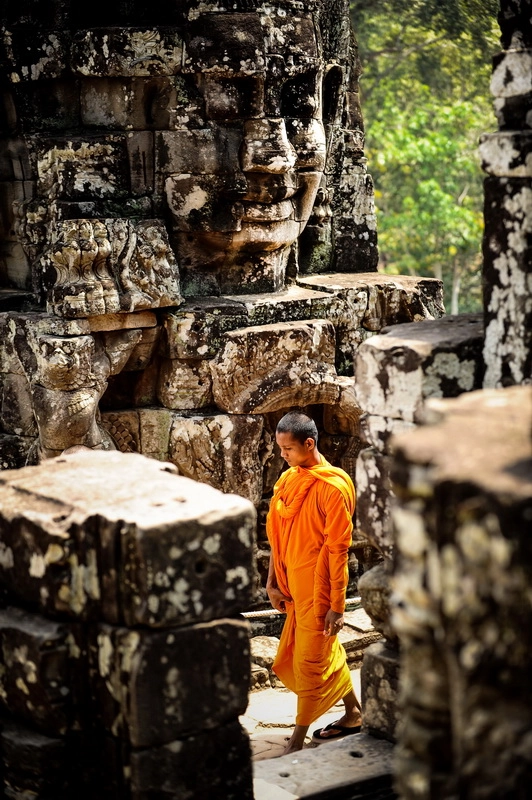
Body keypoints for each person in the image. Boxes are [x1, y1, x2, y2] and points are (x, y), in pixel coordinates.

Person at [266, 410, 362, 755]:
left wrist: (338, 606)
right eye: (280, 449)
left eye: (288, 449)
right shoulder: (291, 479)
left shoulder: (332, 488)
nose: (283, 455)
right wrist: (272, 581)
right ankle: (353, 713)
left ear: (309, 444)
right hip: (293, 584)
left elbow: (338, 551)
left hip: (319, 589)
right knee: (326, 650)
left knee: (310, 659)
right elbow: (278, 536)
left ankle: (297, 738)